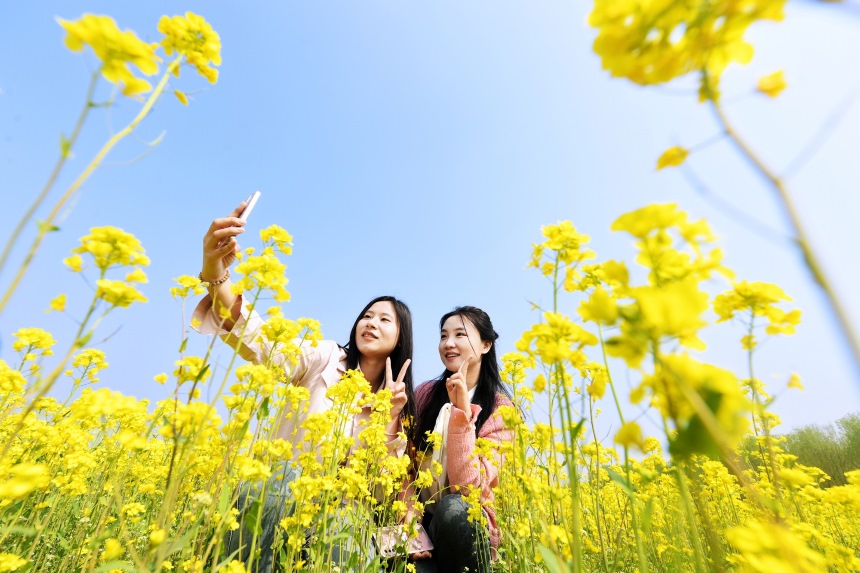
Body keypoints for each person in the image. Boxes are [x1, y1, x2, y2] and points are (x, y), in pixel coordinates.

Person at [192, 201, 415, 570]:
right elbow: (267, 343)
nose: (371, 322)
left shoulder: (397, 406)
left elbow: (380, 495)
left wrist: (389, 420)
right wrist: (216, 272)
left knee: (349, 532)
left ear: (401, 337)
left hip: (337, 521)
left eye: (384, 319)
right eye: (366, 315)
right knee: (277, 482)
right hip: (283, 498)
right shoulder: (326, 357)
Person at [408, 306, 513, 573]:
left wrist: (462, 416)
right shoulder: (425, 394)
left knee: (453, 507)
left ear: (486, 344)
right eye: (443, 336)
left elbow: (469, 492)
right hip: (419, 528)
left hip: (464, 528)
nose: (449, 343)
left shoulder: (501, 410)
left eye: (460, 335)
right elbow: (405, 465)